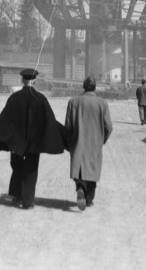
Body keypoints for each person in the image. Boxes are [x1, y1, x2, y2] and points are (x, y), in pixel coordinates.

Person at [0, 68, 66, 209]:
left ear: (22, 80)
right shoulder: (41, 99)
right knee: (31, 169)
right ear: (34, 80)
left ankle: (16, 196)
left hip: (17, 142)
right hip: (34, 142)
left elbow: (6, 119)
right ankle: (27, 200)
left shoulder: (14, 98)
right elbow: (49, 121)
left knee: (16, 166)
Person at [64, 75, 113, 211]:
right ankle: (89, 199)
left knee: (79, 169)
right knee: (92, 170)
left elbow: (67, 126)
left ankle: (80, 187)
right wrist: (102, 140)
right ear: (95, 87)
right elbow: (109, 126)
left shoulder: (73, 102)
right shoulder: (102, 103)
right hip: (95, 143)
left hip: (77, 142)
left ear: (83, 87)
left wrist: (69, 142)